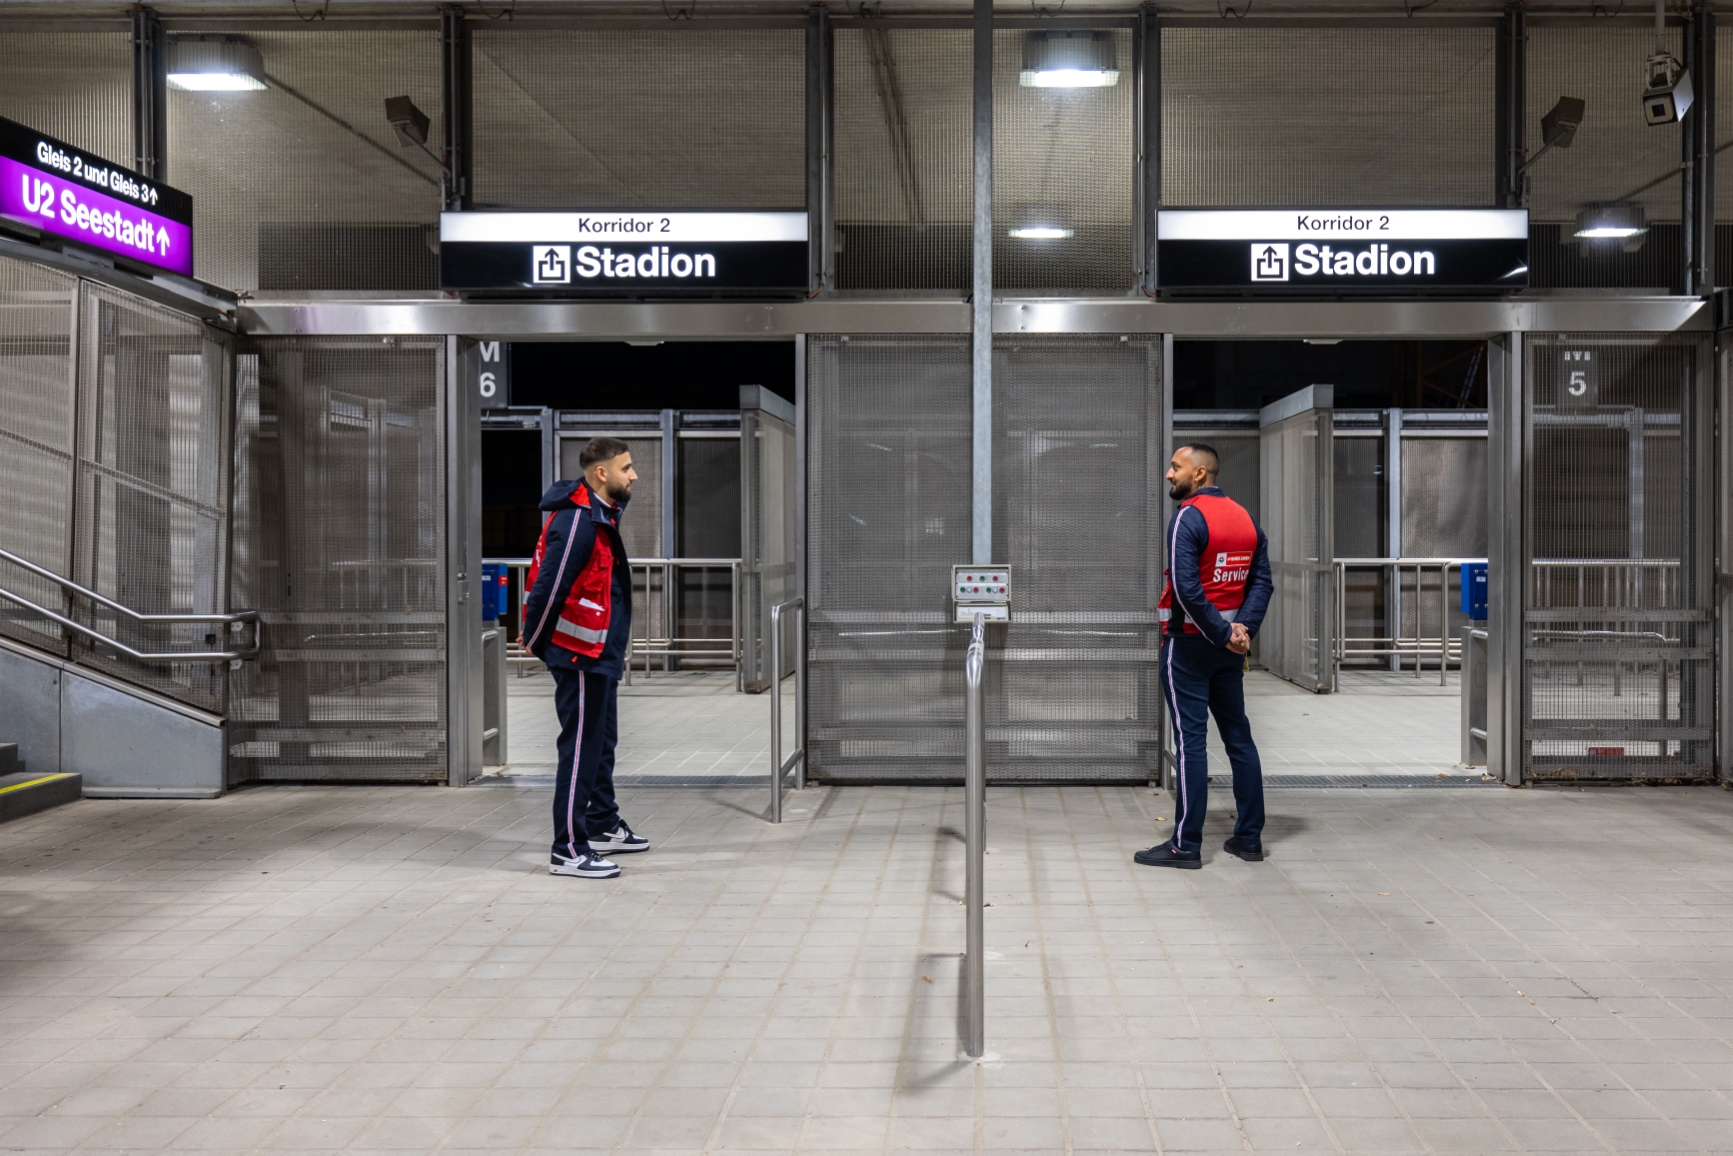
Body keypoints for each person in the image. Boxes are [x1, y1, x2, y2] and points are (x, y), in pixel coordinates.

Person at [1136, 443, 1274, 870]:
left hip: (1189, 648)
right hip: (1229, 651)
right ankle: (1249, 839)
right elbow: (1262, 581)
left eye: (1175, 467)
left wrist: (1219, 634)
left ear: (1199, 474)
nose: (1168, 474)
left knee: (1191, 743)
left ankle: (1186, 846)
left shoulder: (1188, 518)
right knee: (1239, 738)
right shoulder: (1245, 518)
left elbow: (1185, 588)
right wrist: (1241, 632)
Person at [521, 436, 651, 879]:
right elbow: (549, 590)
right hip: (579, 655)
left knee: (602, 742)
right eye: (627, 468)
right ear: (602, 473)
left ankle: (601, 822)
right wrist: (539, 643)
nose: (633, 475)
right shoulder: (576, 522)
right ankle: (569, 849)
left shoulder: (597, 513)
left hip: (598, 654)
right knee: (579, 749)